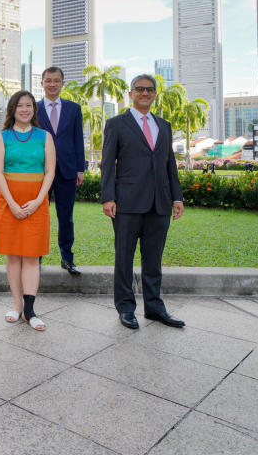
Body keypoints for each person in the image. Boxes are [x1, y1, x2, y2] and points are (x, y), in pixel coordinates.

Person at [101, 73, 185, 330]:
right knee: (124, 259)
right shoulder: (116, 124)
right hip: (126, 203)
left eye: (149, 89)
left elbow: (169, 164)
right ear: (131, 93)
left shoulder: (165, 125)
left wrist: (177, 196)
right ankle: (126, 308)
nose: (144, 93)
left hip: (159, 203)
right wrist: (108, 197)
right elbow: (107, 164)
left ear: (155, 94)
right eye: (139, 89)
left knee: (153, 260)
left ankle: (155, 308)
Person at [0, 91, 56, 331]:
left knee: (31, 256)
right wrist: (12, 203)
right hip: (9, 203)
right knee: (13, 255)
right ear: (13, 109)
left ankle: (30, 310)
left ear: (34, 110)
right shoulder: (2, 137)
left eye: (29, 105)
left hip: (35, 203)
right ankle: (17, 305)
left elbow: (50, 171)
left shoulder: (45, 137)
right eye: (20, 106)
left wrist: (39, 200)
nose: (25, 110)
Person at [35, 66, 86, 275]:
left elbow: (78, 140)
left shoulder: (74, 109)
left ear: (62, 83)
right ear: (42, 83)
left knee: (66, 217)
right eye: (48, 80)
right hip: (39, 171)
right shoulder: (34, 108)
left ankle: (67, 257)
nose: (52, 84)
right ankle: (35, 258)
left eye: (56, 80)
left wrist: (80, 168)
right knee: (39, 216)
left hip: (67, 170)